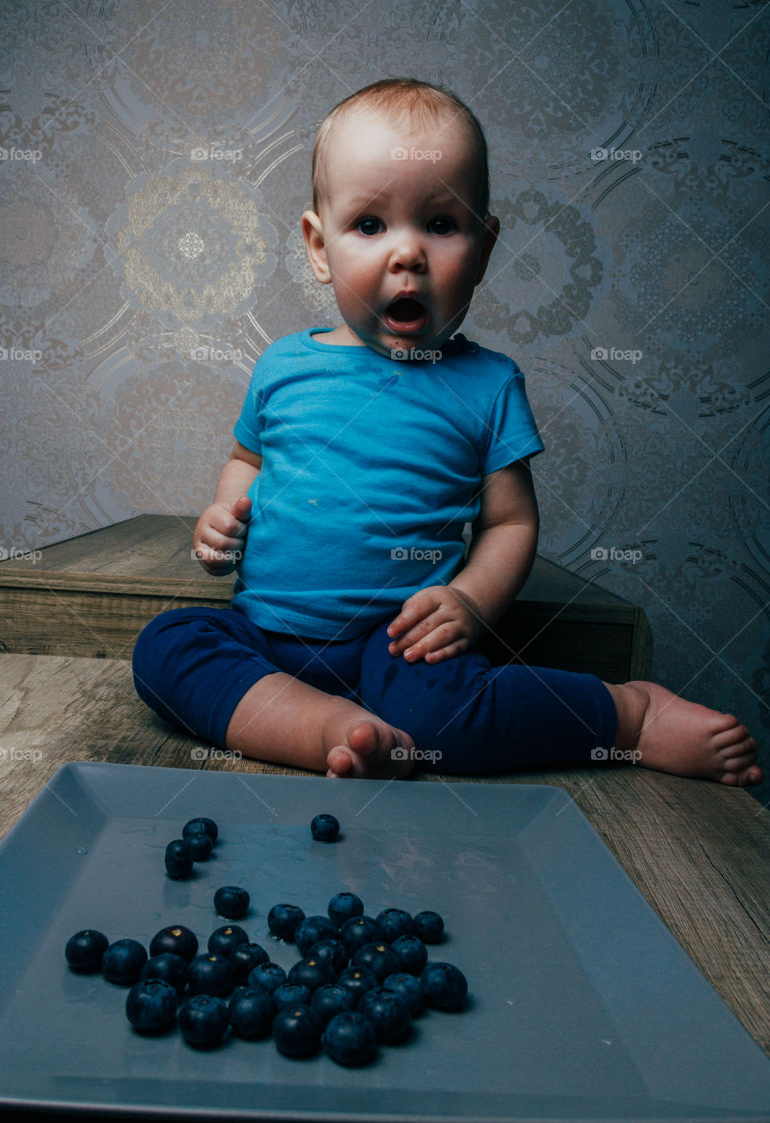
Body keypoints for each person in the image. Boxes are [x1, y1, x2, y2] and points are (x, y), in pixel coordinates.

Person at [132, 78, 761, 787]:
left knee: (447, 719)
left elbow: (510, 524)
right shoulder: (283, 366)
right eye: (370, 225)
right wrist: (222, 516)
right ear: (318, 246)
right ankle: (327, 728)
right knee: (166, 646)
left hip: (399, 644)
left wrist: (468, 602)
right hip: (266, 634)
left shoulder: (486, 385)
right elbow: (246, 460)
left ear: (484, 249)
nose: (407, 254)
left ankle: (628, 717)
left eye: (440, 223)